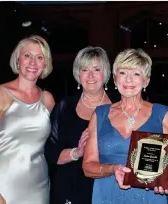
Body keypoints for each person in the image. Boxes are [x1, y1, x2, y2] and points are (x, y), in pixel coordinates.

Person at [83, 48, 168, 204]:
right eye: (123, 73)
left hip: (149, 196)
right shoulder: (100, 114)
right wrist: (112, 169)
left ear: (146, 81)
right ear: (115, 78)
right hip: (107, 194)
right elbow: (87, 167)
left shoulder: (162, 114)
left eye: (136, 74)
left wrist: (166, 176)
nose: (128, 80)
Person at [0, 35, 55, 204]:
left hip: (38, 186)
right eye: (27, 55)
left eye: (39, 57)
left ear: (45, 64)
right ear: (18, 59)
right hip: (2, 185)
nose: (33, 62)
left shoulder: (47, 99)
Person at [44, 46, 119, 204]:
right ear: (78, 74)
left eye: (96, 69)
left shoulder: (119, 104)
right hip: (70, 189)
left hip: (110, 186)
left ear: (105, 73)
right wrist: (76, 152)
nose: (90, 75)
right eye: (85, 69)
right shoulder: (65, 106)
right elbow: (50, 153)